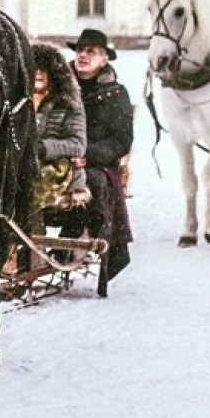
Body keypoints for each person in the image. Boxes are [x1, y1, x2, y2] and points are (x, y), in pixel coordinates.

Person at [62, 27, 134, 297]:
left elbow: (121, 140)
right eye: (80, 50)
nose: (83, 55)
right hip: (57, 157)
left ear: (104, 59)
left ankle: (103, 255)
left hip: (96, 163)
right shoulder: (61, 86)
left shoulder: (115, 94)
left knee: (96, 183)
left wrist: (86, 155)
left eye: (91, 51)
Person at [28, 41, 88, 234]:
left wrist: (43, 148)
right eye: (33, 67)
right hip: (20, 165)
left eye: (43, 69)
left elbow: (77, 145)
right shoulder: (17, 101)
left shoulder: (68, 103)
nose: (37, 73)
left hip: (56, 169)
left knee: (24, 187)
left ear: (54, 74)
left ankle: (24, 246)